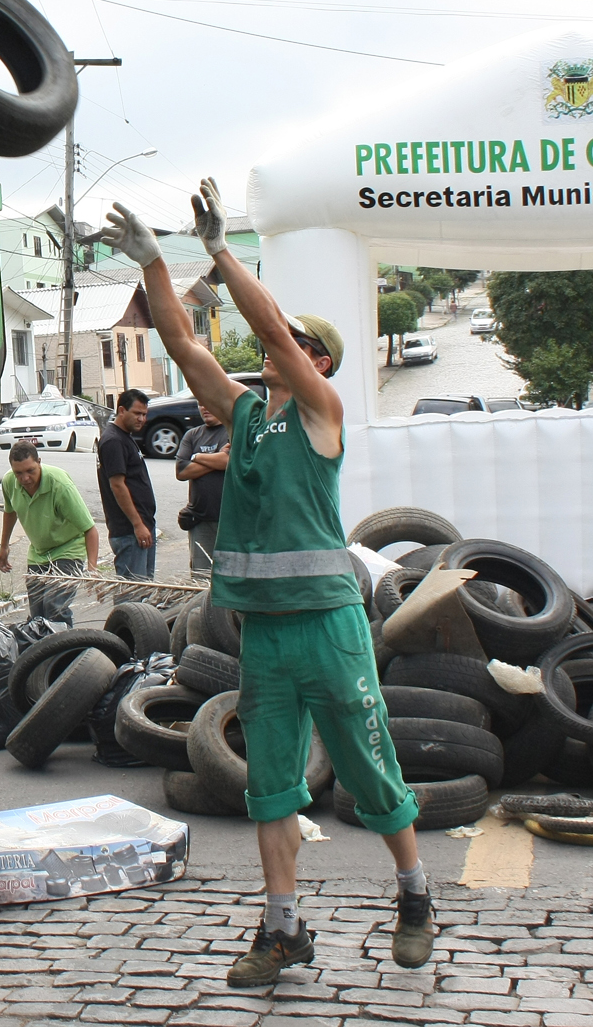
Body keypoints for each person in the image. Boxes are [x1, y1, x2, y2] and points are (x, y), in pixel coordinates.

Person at [101, 178, 433, 987]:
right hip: (266, 636)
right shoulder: (247, 417)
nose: (269, 348)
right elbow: (186, 348)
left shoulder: (320, 410)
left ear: (315, 361)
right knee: (271, 787)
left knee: (367, 767)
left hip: (328, 626)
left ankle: (414, 893)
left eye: (289, 341)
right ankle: (281, 930)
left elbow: (267, 329)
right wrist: (153, 265)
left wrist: (219, 251)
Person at [0, 442, 99, 627]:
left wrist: (92, 569)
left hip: (69, 549)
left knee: (55, 608)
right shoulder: (9, 481)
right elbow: (10, 511)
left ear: (39, 462)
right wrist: (4, 547)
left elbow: (90, 529)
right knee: (38, 614)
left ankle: (66, 651)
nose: (25, 478)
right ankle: (44, 653)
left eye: (30, 471)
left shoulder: (60, 484)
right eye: (18, 473)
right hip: (39, 552)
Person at [96, 391, 157, 579]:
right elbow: (117, 485)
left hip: (142, 527)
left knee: (145, 592)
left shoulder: (124, 436)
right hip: (129, 531)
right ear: (121, 410)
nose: (141, 419)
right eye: (137, 413)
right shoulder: (113, 440)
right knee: (132, 595)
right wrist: (137, 524)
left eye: (144, 414)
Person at [175, 405, 229, 576]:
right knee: (201, 577)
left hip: (230, 521)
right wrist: (216, 459)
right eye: (200, 403)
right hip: (199, 520)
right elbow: (182, 472)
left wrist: (197, 457)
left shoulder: (232, 430)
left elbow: (229, 462)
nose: (205, 407)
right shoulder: (192, 435)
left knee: (229, 577)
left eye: (208, 401)